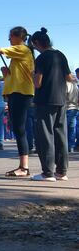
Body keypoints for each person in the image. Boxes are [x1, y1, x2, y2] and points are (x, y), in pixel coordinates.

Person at [29, 28, 72, 181]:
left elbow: (38, 83)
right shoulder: (60, 55)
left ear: (36, 43)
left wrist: (32, 75)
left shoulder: (41, 58)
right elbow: (69, 77)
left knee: (45, 136)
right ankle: (61, 171)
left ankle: (47, 172)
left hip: (44, 100)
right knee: (61, 135)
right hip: (61, 99)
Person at [0, 26, 35, 177]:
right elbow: (16, 78)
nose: (9, 39)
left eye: (10, 36)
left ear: (18, 37)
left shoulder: (23, 49)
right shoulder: (18, 54)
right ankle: (23, 166)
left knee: (20, 129)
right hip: (16, 92)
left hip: (22, 93)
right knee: (17, 129)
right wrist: (7, 74)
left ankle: (24, 167)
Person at [68, 75, 79, 154]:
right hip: (75, 108)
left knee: (65, 128)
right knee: (72, 128)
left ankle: (67, 146)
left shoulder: (68, 84)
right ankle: (71, 146)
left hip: (68, 108)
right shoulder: (76, 86)